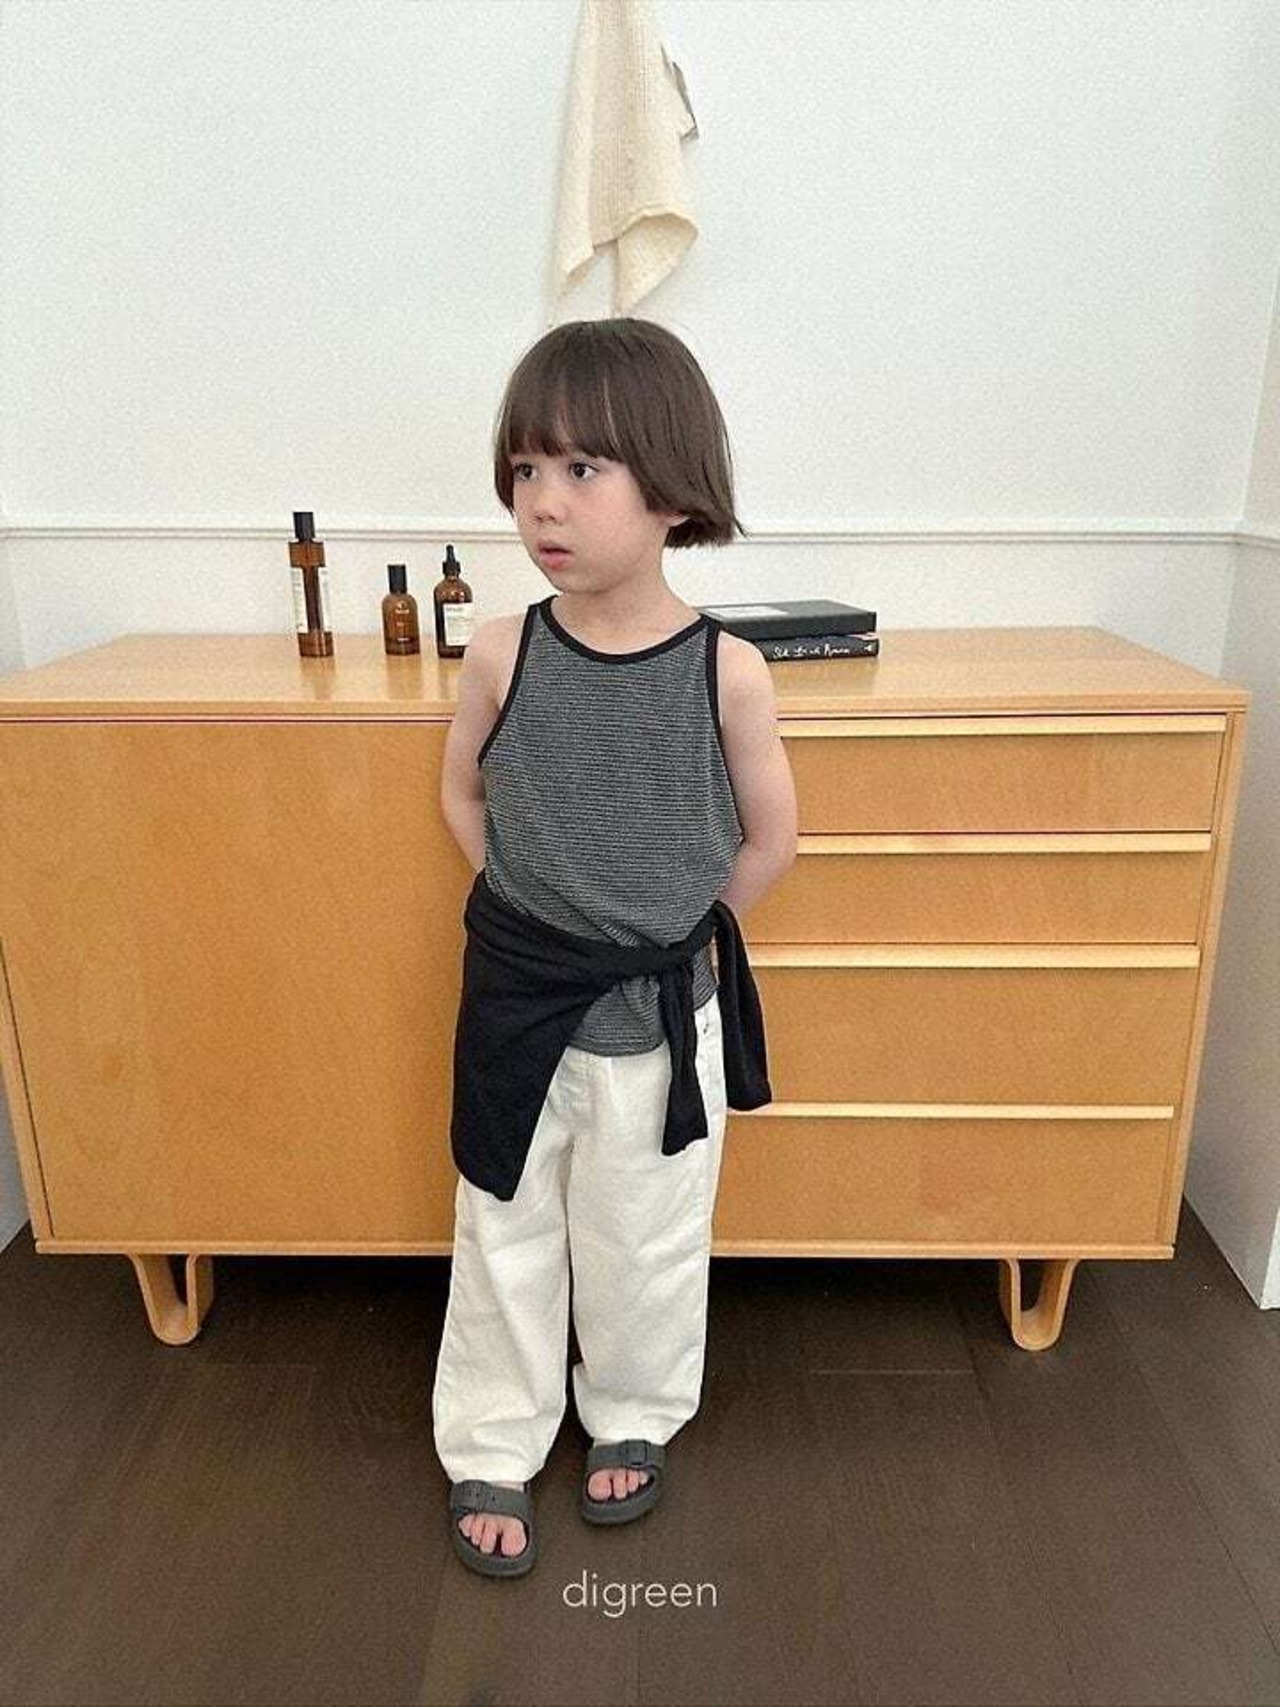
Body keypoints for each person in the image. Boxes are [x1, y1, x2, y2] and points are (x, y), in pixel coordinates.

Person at [433, 316, 798, 1577]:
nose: (543, 501)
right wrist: (535, 909)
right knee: (501, 1217)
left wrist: (663, 937)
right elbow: (462, 796)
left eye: (582, 469)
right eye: (525, 469)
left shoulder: (726, 673)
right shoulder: (499, 651)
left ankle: (633, 1410)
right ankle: (492, 1431)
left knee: (643, 1231)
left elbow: (769, 842)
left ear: (671, 490)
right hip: (516, 1001)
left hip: (657, 1015)